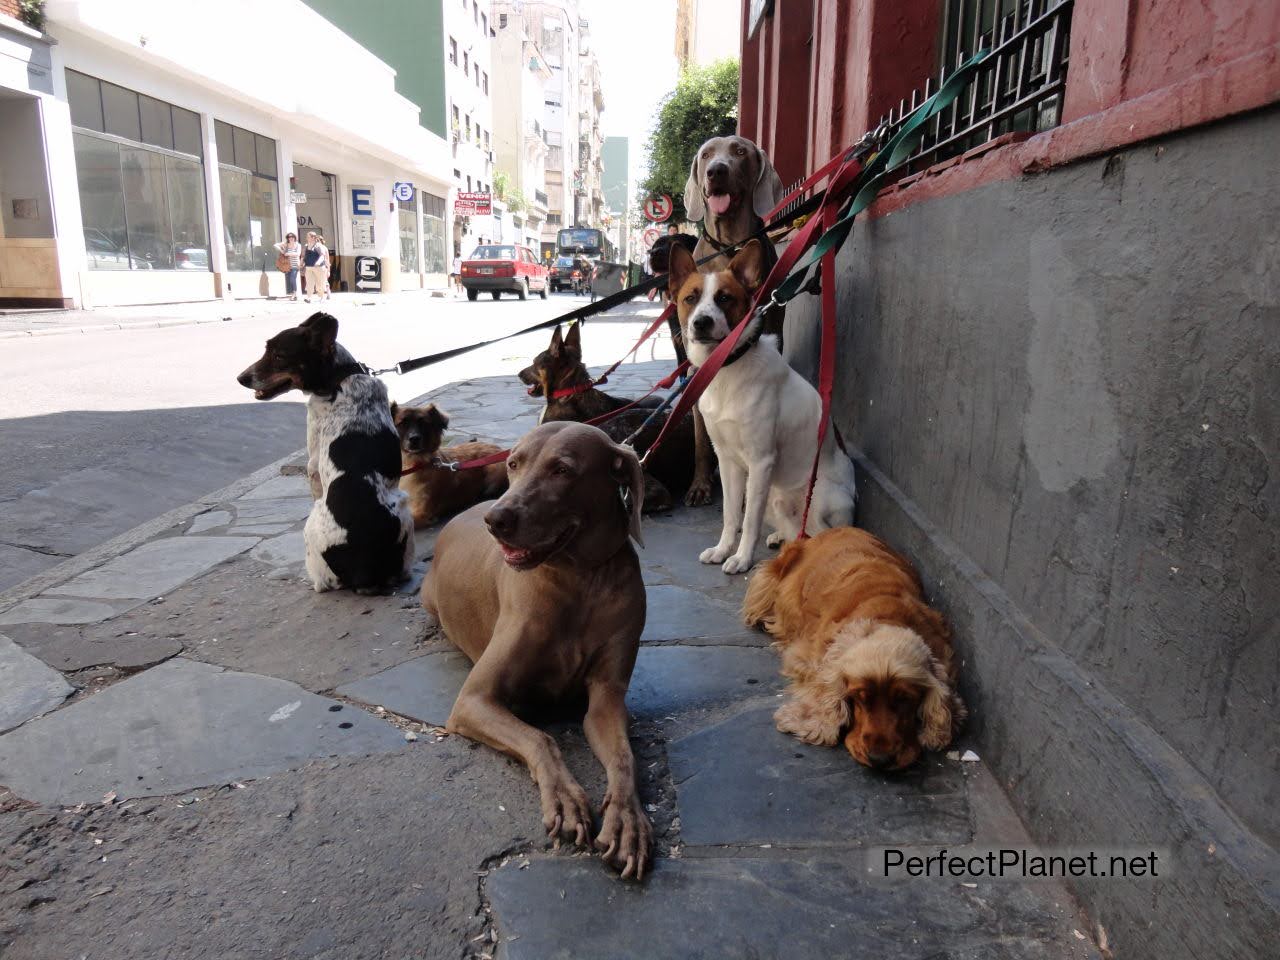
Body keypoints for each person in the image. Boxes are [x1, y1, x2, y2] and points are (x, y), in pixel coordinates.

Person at [303, 231, 330, 302]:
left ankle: (321, 297)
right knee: (309, 283)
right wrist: (301, 262)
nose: (307, 238)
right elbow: (304, 256)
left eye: (308, 237)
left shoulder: (318, 245)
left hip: (319, 267)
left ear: (313, 237)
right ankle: (309, 297)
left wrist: (318, 262)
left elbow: (322, 255)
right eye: (307, 236)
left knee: (320, 283)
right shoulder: (306, 246)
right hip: (309, 267)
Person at [273, 232, 301, 301]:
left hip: (295, 264)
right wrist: (282, 251)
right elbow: (275, 245)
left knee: (292, 279)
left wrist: (288, 253)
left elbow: (298, 253)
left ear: (294, 238)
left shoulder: (298, 245)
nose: (290, 238)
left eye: (292, 237)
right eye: (289, 237)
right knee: (290, 280)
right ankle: (294, 294)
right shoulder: (286, 244)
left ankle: (294, 294)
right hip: (287, 265)